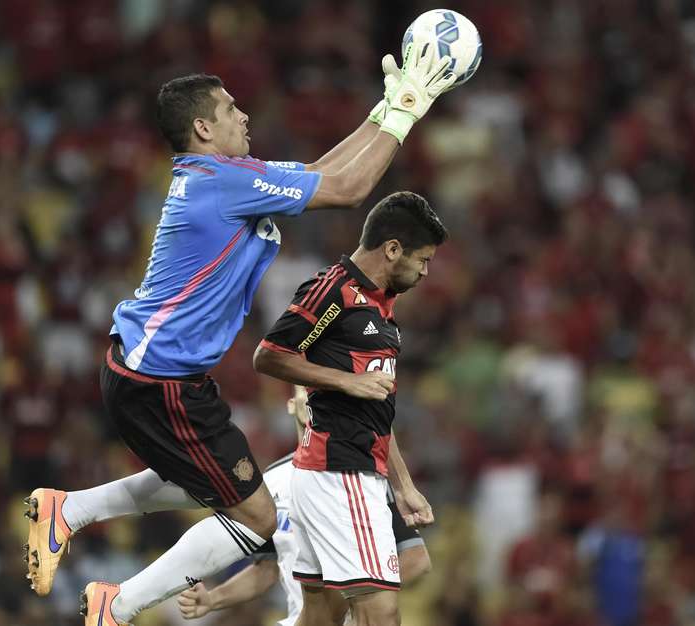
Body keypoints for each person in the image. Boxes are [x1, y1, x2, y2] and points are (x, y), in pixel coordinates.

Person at [23, 37, 456, 626]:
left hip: (157, 375)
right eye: (230, 109)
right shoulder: (221, 184)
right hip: (161, 382)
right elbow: (350, 191)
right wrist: (407, 113)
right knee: (257, 516)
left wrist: (385, 111)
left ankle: (70, 515)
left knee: (224, 484)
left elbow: (321, 173)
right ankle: (113, 606)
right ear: (203, 128)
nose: (244, 114)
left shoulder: (227, 176)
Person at [253, 190, 447, 626]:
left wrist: (403, 485)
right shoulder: (335, 289)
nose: (425, 271)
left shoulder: (383, 308)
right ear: (393, 249)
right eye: (423, 259)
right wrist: (348, 381)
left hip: (349, 472)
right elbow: (269, 354)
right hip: (339, 473)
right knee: (381, 612)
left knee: (318, 617)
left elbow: (376, 409)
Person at [176, 385, 432, 625]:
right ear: (293, 405)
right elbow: (266, 569)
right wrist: (213, 599)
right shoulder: (271, 480)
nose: (316, 401)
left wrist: (359, 597)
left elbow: (415, 560)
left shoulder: (366, 473)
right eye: (309, 393)